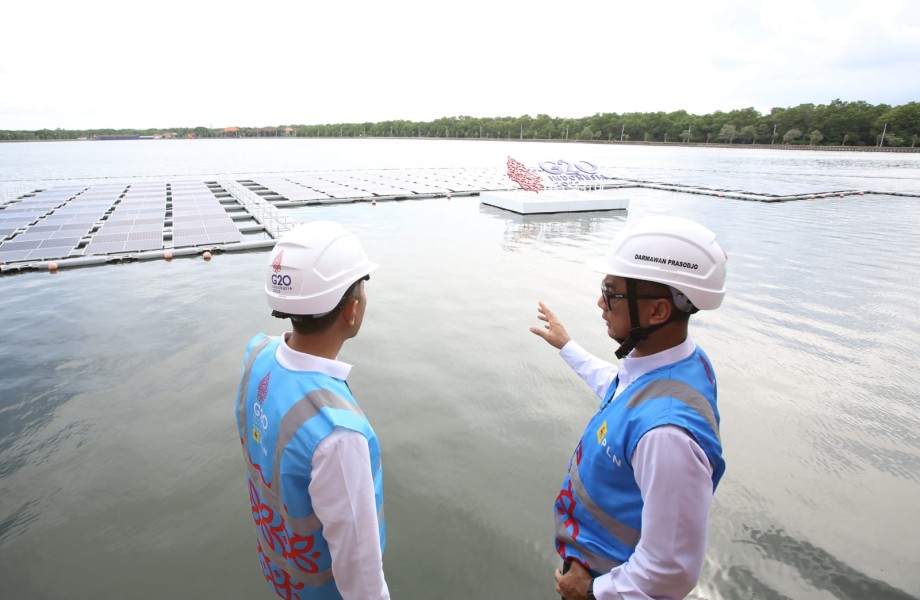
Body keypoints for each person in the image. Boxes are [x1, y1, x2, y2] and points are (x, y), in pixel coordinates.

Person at [530, 215, 728, 600]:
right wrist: (567, 347)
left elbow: (671, 570)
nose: (601, 302)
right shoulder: (679, 363)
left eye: (613, 293)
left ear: (657, 312)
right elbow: (622, 390)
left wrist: (592, 591)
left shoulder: (667, 436)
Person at [235, 221, 389, 600]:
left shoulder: (256, 354)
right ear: (351, 311)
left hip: (282, 577)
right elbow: (361, 577)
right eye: (363, 287)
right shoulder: (339, 435)